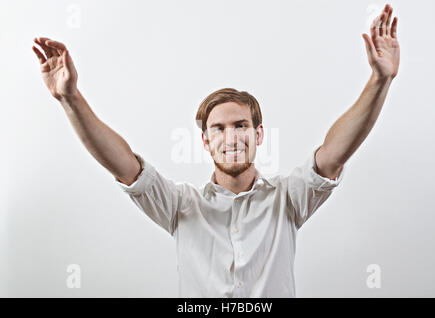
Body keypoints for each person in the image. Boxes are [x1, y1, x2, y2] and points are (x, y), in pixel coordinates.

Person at [32, 4, 400, 297]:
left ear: (258, 135)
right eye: (218, 128)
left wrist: (380, 80)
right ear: (206, 141)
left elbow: (335, 153)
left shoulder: (288, 198)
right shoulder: (180, 205)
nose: (231, 137)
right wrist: (70, 98)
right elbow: (124, 165)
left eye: (240, 125)